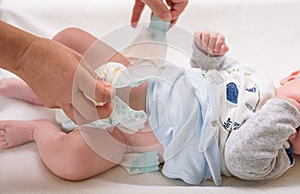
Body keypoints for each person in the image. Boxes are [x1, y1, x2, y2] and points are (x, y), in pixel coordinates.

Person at [0, 27, 299, 186]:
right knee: (70, 39)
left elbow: (239, 157)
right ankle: (41, 89)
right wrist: (208, 51)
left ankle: (38, 131)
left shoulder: (276, 158)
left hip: (131, 136)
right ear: (292, 76)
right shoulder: (257, 79)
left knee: (70, 163)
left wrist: (286, 107)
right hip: (144, 82)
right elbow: (208, 72)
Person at [0, 0, 188, 124]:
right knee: (69, 38)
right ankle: (44, 86)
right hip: (144, 75)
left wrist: (35, 132)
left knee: (78, 152)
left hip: (122, 121)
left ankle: (45, 100)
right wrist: (25, 56)